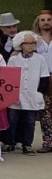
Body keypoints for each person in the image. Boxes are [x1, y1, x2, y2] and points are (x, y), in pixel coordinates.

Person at [5, 30, 49, 155]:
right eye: (27, 43)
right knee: (12, 119)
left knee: (30, 121)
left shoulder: (40, 59)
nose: (30, 45)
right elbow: (9, 77)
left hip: (33, 95)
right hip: (16, 95)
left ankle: (27, 145)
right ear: (21, 45)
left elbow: (44, 78)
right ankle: (10, 143)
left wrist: (40, 92)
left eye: (33, 43)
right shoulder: (13, 59)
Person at [34, 10, 52, 153]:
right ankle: (48, 141)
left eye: (48, 19)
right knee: (45, 113)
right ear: (38, 23)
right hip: (42, 79)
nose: (46, 22)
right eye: (43, 20)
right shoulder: (34, 40)